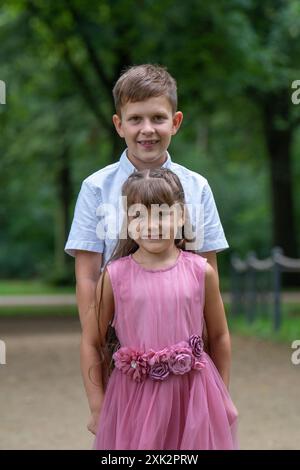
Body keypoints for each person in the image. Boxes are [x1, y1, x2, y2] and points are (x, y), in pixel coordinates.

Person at [80, 168, 238, 450]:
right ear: (127, 221)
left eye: (162, 213)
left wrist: (222, 395)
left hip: (193, 398)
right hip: (132, 401)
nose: (151, 224)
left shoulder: (201, 272)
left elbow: (219, 336)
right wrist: (96, 405)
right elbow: (92, 342)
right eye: (139, 214)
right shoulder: (114, 276)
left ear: (180, 216)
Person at [65, 64, 228, 332]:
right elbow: (87, 277)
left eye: (158, 118)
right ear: (119, 125)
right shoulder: (96, 188)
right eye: (136, 119)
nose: (147, 129)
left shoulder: (196, 187)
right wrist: (96, 339)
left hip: (184, 335)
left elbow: (208, 269)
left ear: (175, 122)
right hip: (122, 335)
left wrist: (208, 337)